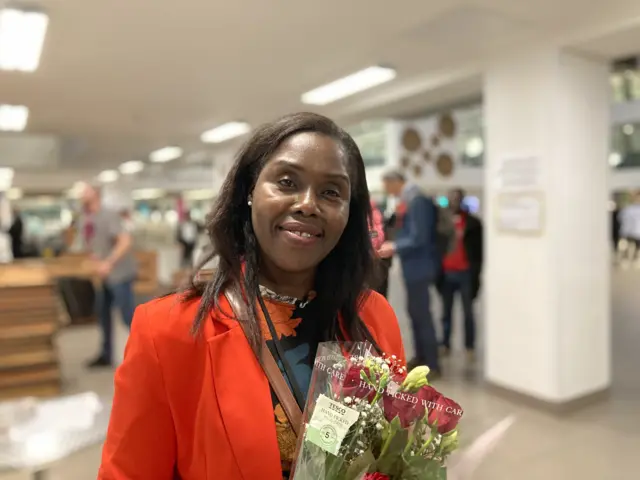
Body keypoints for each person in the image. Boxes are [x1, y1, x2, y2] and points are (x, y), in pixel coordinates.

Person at [99, 113, 405, 480]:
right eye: (287, 181)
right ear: (249, 191)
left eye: (331, 192)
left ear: (349, 211)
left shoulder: (373, 316)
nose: (308, 204)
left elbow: (390, 455)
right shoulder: (168, 330)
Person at [378, 169, 440, 376]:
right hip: (412, 266)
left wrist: (394, 246)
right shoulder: (409, 199)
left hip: (420, 266)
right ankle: (421, 358)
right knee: (414, 313)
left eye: (386, 185)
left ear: (395, 182)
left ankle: (432, 363)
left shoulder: (417, 200)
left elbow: (418, 237)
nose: (386, 190)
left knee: (422, 315)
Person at [78, 184, 137, 368]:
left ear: (95, 194)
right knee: (103, 315)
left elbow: (125, 241)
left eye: (84, 190)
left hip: (119, 274)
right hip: (103, 276)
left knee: (128, 316)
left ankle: (150, 354)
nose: (80, 194)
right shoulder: (85, 218)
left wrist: (108, 262)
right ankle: (106, 355)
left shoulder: (108, 215)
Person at [437, 188, 483, 359]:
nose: (453, 201)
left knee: (468, 313)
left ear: (462, 200)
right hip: (447, 273)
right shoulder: (442, 222)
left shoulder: (473, 223)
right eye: (451, 198)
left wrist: (476, 275)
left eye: (457, 198)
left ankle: (469, 346)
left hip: (465, 273)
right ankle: (445, 344)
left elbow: (479, 252)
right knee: (446, 312)